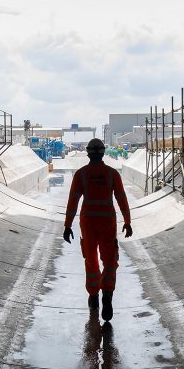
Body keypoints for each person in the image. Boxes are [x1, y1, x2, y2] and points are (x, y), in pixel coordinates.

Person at [63, 138, 133, 321]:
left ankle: (93, 296)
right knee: (110, 259)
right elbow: (121, 199)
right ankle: (107, 295)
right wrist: (127, 221)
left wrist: (67, 225)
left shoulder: (81, 174)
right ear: (103, 152)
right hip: (107, 223)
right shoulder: (111, 174)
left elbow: (73, 201)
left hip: (88, 223)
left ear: (88, 153)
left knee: (91, 259)